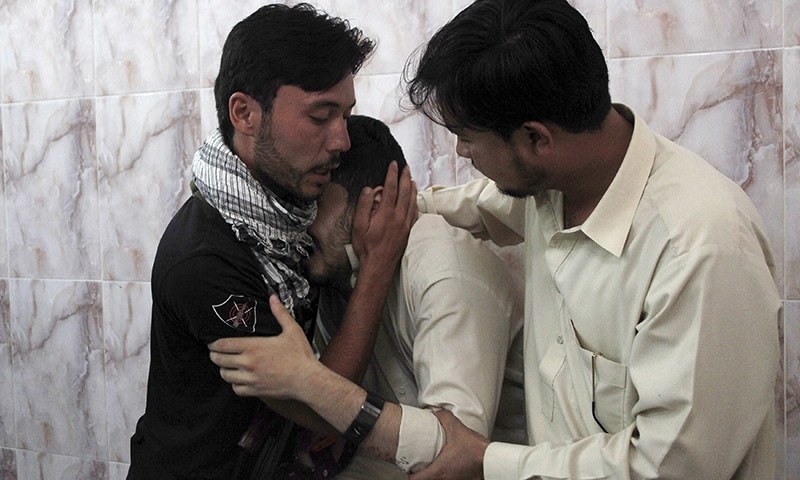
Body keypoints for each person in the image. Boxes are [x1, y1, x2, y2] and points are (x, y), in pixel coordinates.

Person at [206, 0, 782, 479]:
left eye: (467, 139)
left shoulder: (699, 248)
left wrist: (487, 461)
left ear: (535, 139)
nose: (461, 156)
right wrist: (364, 218)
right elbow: (468, 205)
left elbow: (672, 467)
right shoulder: (552, 188)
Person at [127, 4, 416, 479]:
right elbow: (325, 406)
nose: (342, 140)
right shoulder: (208, 260)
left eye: (346, 115)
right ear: (244, 113)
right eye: (321, 116)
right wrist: (377, 267)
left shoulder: (288, 210)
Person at [210, 114, 526, 479]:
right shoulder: (331, 269)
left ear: (374, 205)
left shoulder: (443, 264)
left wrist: (304, 379)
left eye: (312, 204)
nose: (295, 222)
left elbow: (453, 458)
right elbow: (326, 419)